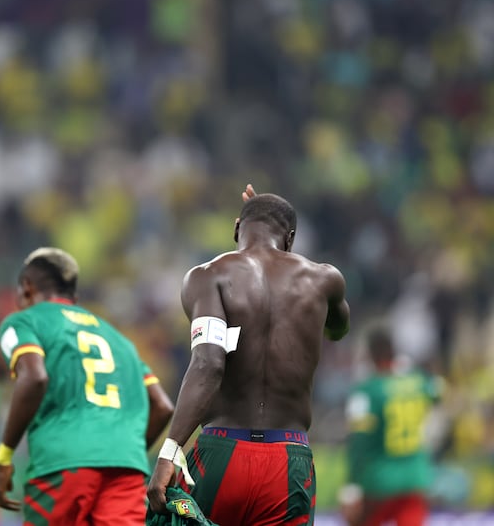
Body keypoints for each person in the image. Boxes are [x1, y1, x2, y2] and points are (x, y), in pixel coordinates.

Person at [147, 186, 350, 525]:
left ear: (236, 228)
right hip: (288, 460)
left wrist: (170, 452)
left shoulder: (208, 276)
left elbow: (208, 364)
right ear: (291, 238)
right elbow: (338, 329)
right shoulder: (324, 279)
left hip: (222, 453)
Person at [0, 247, 175, 525]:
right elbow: (162, 405)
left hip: (63, 463)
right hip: (126, 467)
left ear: (26, 288)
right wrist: (119, 450)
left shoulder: (24, 321)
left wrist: (4, 457)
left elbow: (34, 377)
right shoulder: (118, 339)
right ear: (72, 295)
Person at [339, 325, 441, 526]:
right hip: (415, 478)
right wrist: (411, 371)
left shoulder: (366, 391)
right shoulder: (418, 382)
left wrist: (351, 486)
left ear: (370, 355)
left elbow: (359, 442)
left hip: (378, 481)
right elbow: (437, 391)